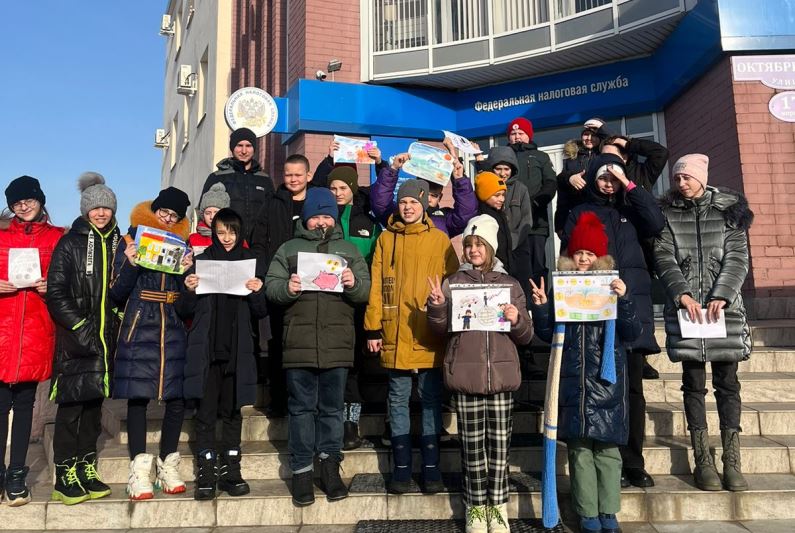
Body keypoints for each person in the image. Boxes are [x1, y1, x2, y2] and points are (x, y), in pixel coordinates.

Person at [530, 211, 641, 533]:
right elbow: (547, 333)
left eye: (589, 254)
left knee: (608, 452)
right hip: (573, 384)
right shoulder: (563, 289)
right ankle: (588, 514)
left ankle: (609, 512)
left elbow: (632, 333)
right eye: (578, 252)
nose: (582, 259)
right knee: (579, 453)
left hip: (606, 382)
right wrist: (542, 306)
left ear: (599, 257)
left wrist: (625, 299)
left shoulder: (612, 288)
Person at [562, 154, 665, 489]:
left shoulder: (631, 208)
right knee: (601, 389)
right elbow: (568, 257)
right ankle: (608, 460)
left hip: (631, 309)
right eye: (603, 178)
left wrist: (629, 186)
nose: (608, 184)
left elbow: (656, 223)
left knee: (633, 390)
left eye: (613, 178)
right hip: (592, 316)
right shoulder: (580, 211)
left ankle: (633, 461)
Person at [427, 214, 533, 533]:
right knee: (472, 451)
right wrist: (437, 307)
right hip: (465, 377)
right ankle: (475, 511)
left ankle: (497, 512)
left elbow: (526, 335)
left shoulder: (510, 284)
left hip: (501, 379)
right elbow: (439, 330)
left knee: (499, 452)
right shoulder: (453, 282)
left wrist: (517, 320)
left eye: (480, 245)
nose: (473, 250)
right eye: (469, 245)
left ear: (491, 248)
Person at [264, 188, 371, 506]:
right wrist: (288, 287)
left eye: (327, 216)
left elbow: (365, 291)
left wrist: (353, 283)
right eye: (316, 216)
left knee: (332, 410)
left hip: (337, 343)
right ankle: (301, 471)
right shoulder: (289, 248)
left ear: (334, 218)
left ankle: (330, 467)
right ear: (306, 218)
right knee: (301, 410)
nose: (321, 221)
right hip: (298, 342)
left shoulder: (348, 250)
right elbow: (271, 286)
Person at [654, 154, 754, 492]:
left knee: (728, 383)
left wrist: (722, 294)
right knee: (693, 383)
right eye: (677, 178)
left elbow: (738, 257)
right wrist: (681, 294)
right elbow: (663, 257)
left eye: (687, 177)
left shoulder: (729, 211)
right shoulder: (668, 214)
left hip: (722, 312)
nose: (681, 183)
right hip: (689, 313)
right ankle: (703, 461)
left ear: (701, 177)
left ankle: (732, 461)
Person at [364, 179, 459, 494]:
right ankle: (401, 468)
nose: (407, 208)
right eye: (403, 202)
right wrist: (373, 326)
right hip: (395, 328)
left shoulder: (439, 240)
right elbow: (376, 284)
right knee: (397, 397)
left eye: (414, 203)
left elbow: (453, 283)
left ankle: (432, 469)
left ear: (425, 205)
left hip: (429, 329)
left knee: (431, 398)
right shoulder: (385, 239)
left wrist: (443, 308)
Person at [109, 186, 193, 500]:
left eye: (174, 216)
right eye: (164, 212)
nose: (168, 219)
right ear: (154, 209)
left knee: (176, 397)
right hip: (139, 320)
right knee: (138, 396)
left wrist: (187, 276)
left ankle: (168, 463)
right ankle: (139, 469)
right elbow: (116, 293)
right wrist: (131, 263)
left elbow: (188, 302)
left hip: (172, 323)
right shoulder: (130, 238)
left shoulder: (183, 245)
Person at [182, 208, 268, 501]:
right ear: (213, 233)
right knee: (205, 413)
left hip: (237, 352)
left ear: (239, 232)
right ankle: (206, 472)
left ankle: (232, 470)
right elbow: (184, 310)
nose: (227, 238)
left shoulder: (249, 263)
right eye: (220, 232)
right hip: (207, 352)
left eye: (231, 232)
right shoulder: (202, 261)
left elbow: (260, 312)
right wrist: (189, 289)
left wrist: (257, 291)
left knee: (233, 412)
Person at [46, 173, 120, 505]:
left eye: (106, 207)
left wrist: (117, 321)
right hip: (77, 342)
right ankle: (64, 474)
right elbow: (56, 292)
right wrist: (79, 326)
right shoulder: (70, 243)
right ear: (85, 210)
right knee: (71, 408)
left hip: (105, 341)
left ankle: (86, 467)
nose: (101, 213)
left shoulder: (119, 243)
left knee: (93, 407)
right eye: (95, 208)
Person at [0, 175, 63, 506]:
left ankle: (16, 475)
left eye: (29, 200)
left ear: (41, 200)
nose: (23, 206)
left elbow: (70, 280)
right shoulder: (0, 236)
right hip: (3, 331)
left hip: (36, 330)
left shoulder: (57, 237)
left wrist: (52, 286)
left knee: (25, 405)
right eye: (17, 202)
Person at [251, 153, 317, 417]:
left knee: (306, 344)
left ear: (308, 176)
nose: (293, 179)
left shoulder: (317, 202)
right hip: (279, 283)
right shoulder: (272, 203)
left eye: (298, 174)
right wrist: (265, 273)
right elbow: (258, 241)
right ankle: (278, 399)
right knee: (278, 341)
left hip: (311, 284)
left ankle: (306, 401)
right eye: (288, 174)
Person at [327, 165, 381, 449]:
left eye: (343, 188)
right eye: (333, 188)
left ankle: (351, 423)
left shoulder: (368, 223)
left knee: (355, 364)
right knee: (334, 361)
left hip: (358, 301)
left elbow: (376, 263)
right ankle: (333, 419)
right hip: (330, 303)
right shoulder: (322, 220)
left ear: (353, 189)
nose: (338, 193)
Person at [477, 117, 557, 287]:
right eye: (513, 134)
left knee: (536, 266)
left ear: (529, 135)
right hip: (505, 222)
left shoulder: (540, 156)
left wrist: (537, 203)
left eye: (521, 133)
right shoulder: (502, 155)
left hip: (535, 223)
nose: (517, 137)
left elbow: (550, 183)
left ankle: (538, 300)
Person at [370, 143, 478, 237]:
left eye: (434, 195)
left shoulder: (444, 219)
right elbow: (380, 204)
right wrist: (393, 168)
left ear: (440, 197)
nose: (428, 199)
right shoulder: (404, 214)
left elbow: (466, 214)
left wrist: (459, 180)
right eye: (425, 193)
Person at [201, 127, 274, 240]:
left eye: (248, 146)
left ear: (254, 148)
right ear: (232, 148)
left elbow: (273, 212)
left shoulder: (265, 179)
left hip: (258, 243)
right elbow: (204, 212)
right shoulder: (217, 177)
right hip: (227, 242)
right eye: (239, 145)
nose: (244, 151)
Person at [554, 128, 600, 238]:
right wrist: (560, 225)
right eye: (586, 134)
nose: (589, 138)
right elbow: (562, 193)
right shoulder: (572, 158)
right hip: (576, 217)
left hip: (601, 215)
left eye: (593, 135)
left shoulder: (605, 155)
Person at [473, 171, 513, 272]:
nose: (502, 199)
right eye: (497, 195)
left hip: (504, 268)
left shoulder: (500, 214)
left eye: (503, 195)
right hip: (491, 270)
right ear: (484, 195)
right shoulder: (482, 217)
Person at [188, 183, 231, 255]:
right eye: (208, 213)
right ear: (203, 215)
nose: (212, 217)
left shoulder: (234, 238)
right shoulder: (193, 239)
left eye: (216, 212)